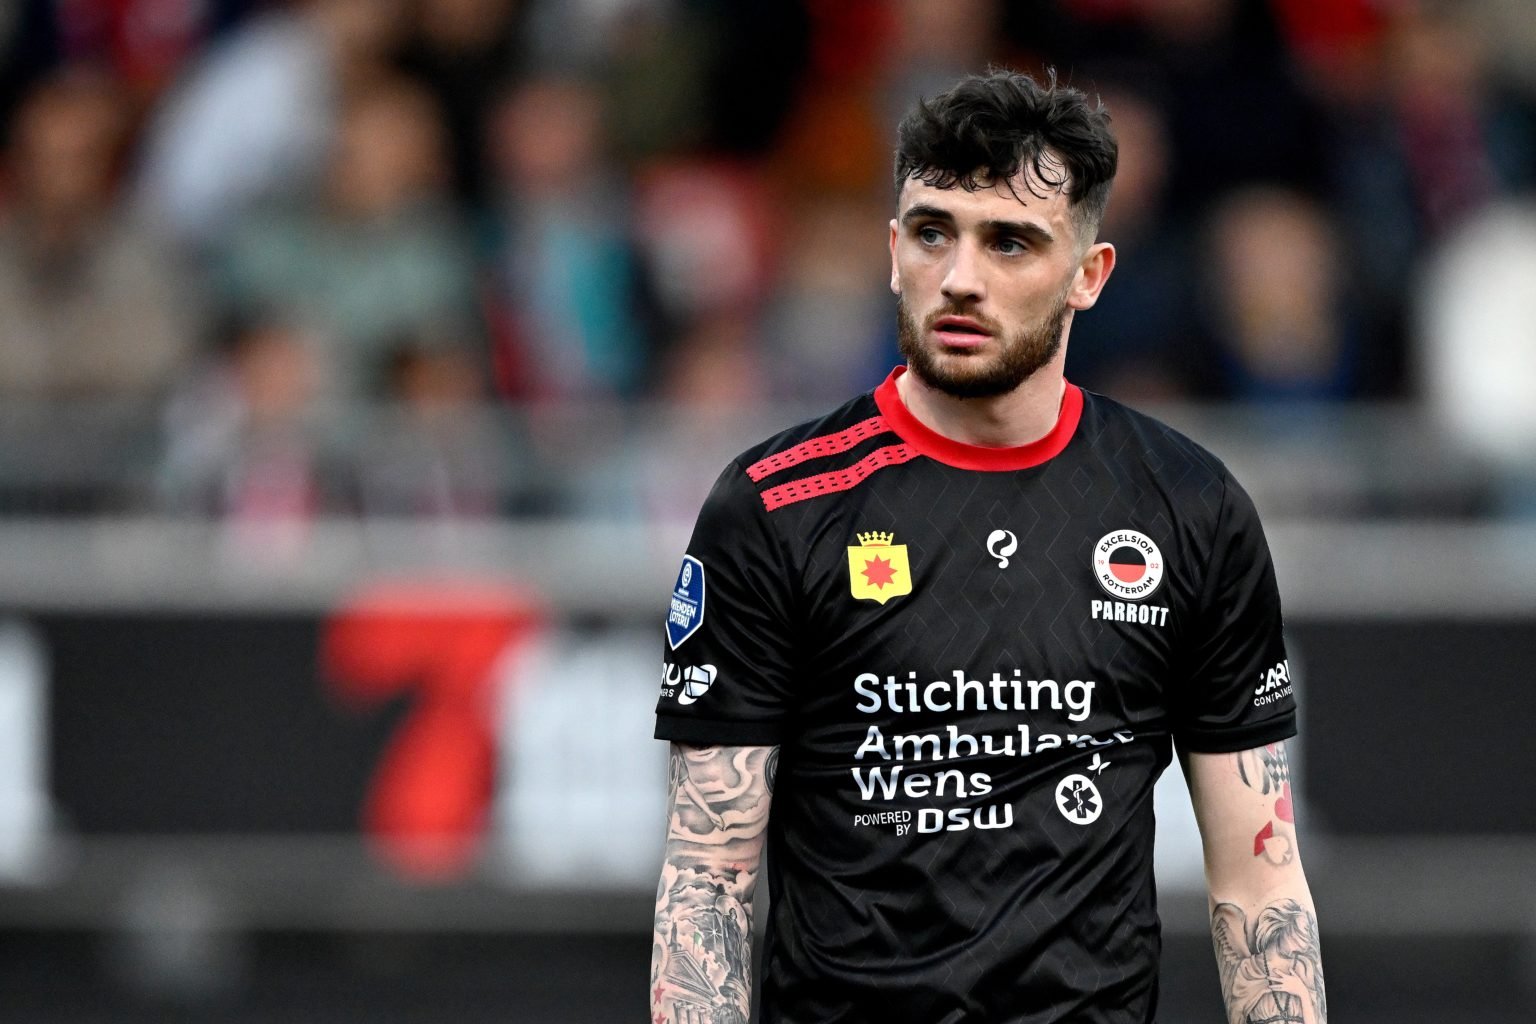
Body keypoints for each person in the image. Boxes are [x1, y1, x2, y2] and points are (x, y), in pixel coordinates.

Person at [651, 69, 1326, 1024]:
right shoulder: (775, 506)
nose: (961, 276)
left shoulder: (1190, 507)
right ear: (893, 252)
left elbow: (1259, 888)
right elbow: (706, 882)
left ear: (1089, 276)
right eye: (933, 232)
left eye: (1010, 241)